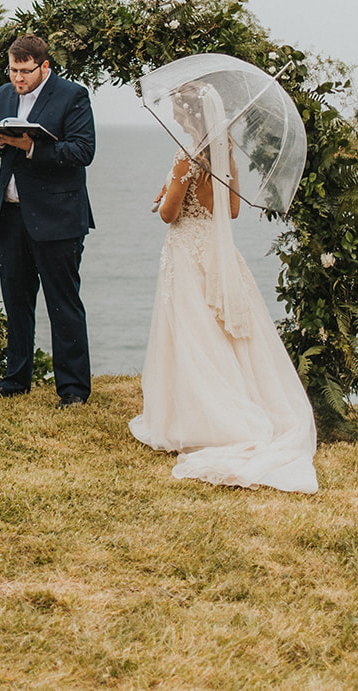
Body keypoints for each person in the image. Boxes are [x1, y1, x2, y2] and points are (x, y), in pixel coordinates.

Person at [127, 84, 318, 493]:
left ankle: (204, 417)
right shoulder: (224, 152)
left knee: (194, 334)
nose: (175, 114)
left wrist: (168, 194)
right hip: (218, 253)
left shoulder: (186, 154)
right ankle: (240, 402)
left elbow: (169, 214)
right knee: (224, 335)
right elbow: (229, 210)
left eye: (178, 108)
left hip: (187, 252)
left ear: (188, 113)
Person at [0, 35, 97, 406]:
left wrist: (30, 146)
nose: (17, 78)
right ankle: (15, 381)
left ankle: (73, 390)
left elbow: (82, 150)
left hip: (58, 217)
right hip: (11, 216)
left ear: (45, 67)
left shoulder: (73, 95)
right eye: (13, 69)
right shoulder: (4, 95)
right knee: (16, 300)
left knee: (63, 302)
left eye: (25, 71)